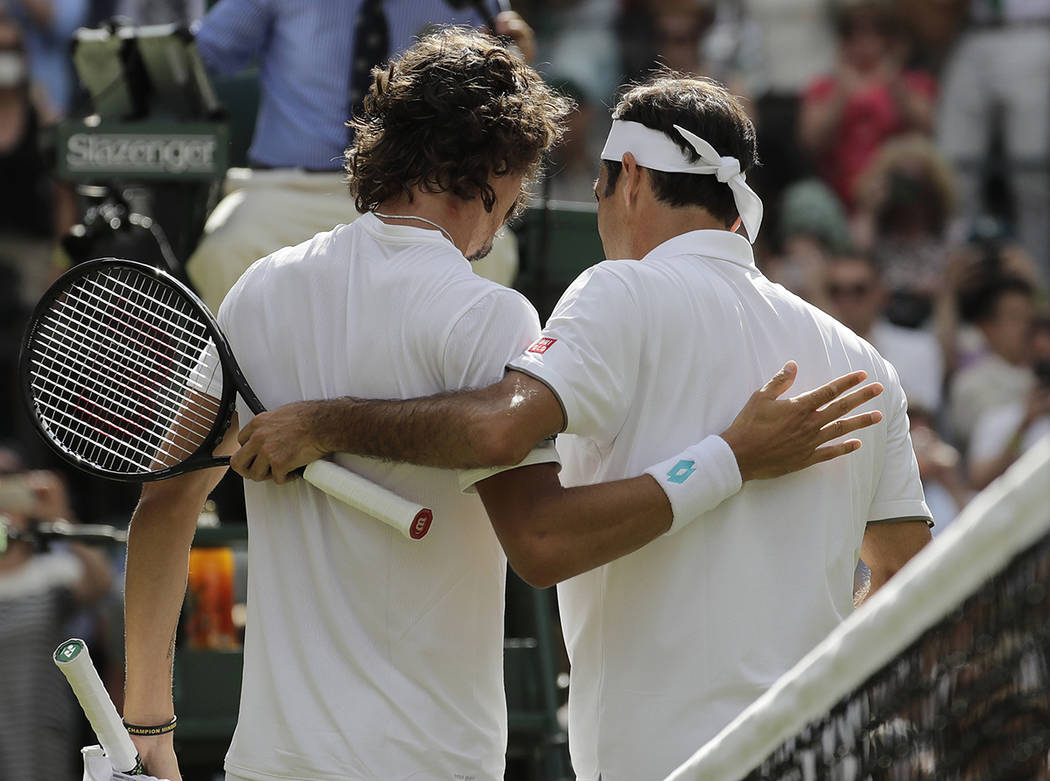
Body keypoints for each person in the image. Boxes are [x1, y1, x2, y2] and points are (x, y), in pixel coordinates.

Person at [124, 34, 885, 781]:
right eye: (522, 181)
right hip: (433, 762)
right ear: (499, 167)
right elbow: (543, 538)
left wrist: (149, 719)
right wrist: (729, 460)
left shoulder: (260, 290)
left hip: (271, 760)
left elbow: (165, 504)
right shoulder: (493, 318)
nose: (515, 209)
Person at [185, 0, 537, 312]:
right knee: (226, 249)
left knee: (492, 256)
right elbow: (195, 59)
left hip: (418, 191)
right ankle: (243, 384)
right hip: (287, 189)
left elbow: (499, 97)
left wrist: (516, 61)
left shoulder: (471, 4)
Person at [0, 446, 113, 781]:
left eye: (11, 484)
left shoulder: (54, 573)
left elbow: (102, 585)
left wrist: (60, 515)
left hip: (37, 734)